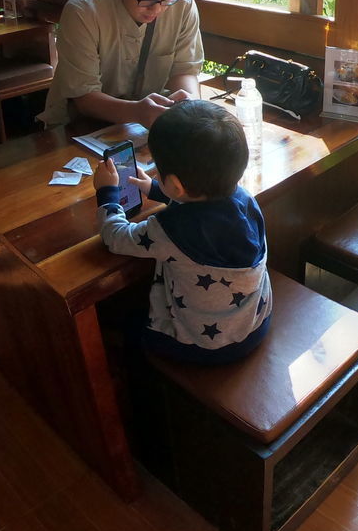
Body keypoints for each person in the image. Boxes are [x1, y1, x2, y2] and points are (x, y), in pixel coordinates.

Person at [93, 100, 272, 364]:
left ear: (176, 185)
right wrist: (155, 188)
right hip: (255, 325)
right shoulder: (245, 200)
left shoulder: (169, 229)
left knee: (126, 322)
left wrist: (106, 192)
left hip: (201, 346)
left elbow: (116, 236)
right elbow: (200, 207)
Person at [40, 0, 204, 128]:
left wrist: (190, 108)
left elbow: (185, 70)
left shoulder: (183, 3)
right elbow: (84, 98)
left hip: (143, 125)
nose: (158, 9)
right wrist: (137, 112)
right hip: (77, 126)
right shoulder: (84, 11)